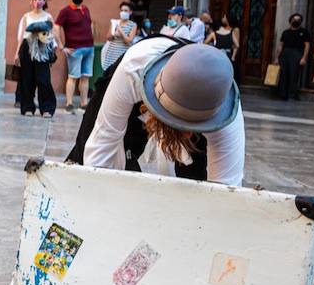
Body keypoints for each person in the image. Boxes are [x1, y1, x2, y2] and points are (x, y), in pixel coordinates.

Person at [68, 38, 244, 186]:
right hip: (133, 84)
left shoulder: (226, 112)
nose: (187, 134)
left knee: (196, 178)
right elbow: (101, 149)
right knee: (88, 159)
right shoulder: (133, 69)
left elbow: (225, 191)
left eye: (191, 124)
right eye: (180, 122)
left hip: (203, 109)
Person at [54, 0, 95, 113]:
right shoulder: (65, 11)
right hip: (74, 49)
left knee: (85, 77)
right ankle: (69, 104)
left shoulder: (86, 9)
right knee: (73, 77)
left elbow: (90, 25)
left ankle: (84, 104)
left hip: (89, 48)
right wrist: (61, 47)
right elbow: (56, 27)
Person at [17, 20, 58, 117]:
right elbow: (22, 55)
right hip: (28, 59)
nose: (45, 35)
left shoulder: (48, 41)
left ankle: (47, 108)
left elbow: (52, 55)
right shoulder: (27, 42)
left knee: (44, 81)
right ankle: (28, 107)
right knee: (27, 82)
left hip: (42, 61)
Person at [276, 13, 313, 101]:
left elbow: (307, 45)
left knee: (294, 74)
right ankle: (282, 94)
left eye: (298, 20)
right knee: (283, 74)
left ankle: (292, 95)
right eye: (294, 19)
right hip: (285, 54)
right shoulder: (285, 32)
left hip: (297, 53)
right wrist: (277, 57)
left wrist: (304, 58)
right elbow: (281, 45)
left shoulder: (304, 32)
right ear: (290, 20)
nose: (296, 21)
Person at [102, 0, 139, 72]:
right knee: (109, 75)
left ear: (130, 12)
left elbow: (129, 41)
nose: (123, 12)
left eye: (125, 10)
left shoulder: (133, 25)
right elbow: (108, 37)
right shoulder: (115, 22)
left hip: (122, 56)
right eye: (122, 10)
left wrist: (121, 32)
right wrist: (114, 34)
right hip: (111, 55)